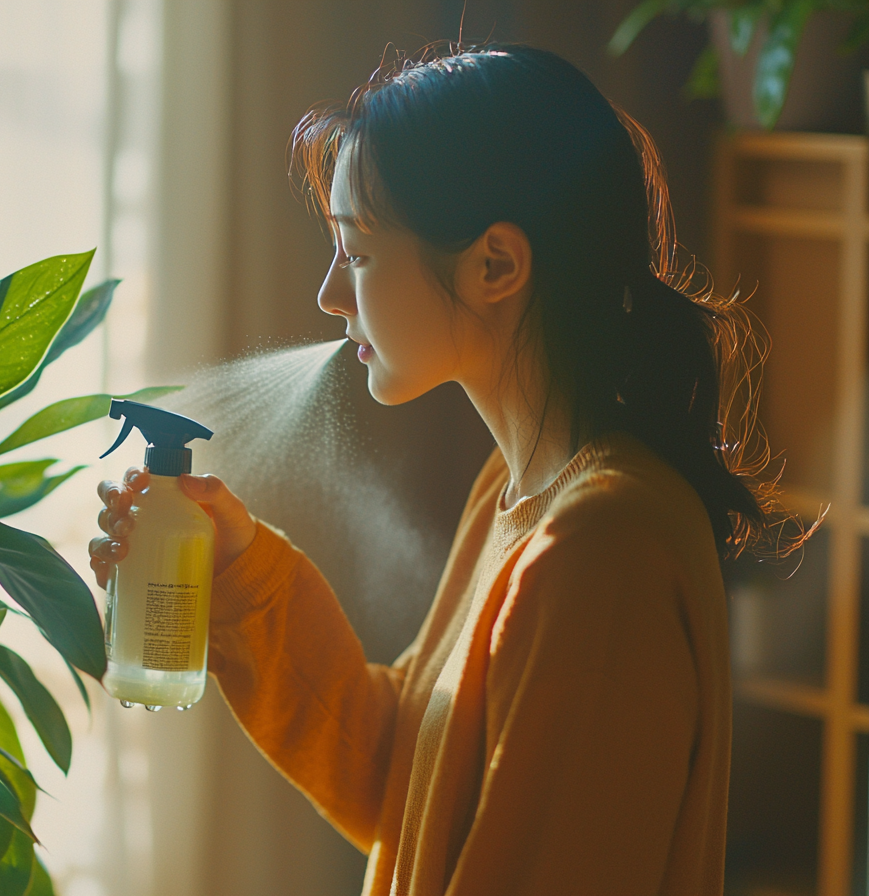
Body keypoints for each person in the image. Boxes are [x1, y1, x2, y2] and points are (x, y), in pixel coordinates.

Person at [89, 45, 806, 896]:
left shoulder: (598, 551)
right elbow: (405, 782)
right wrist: (237, 568)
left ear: (495, 264)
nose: (329, 294)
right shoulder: (519, 499)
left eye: (356, 252)